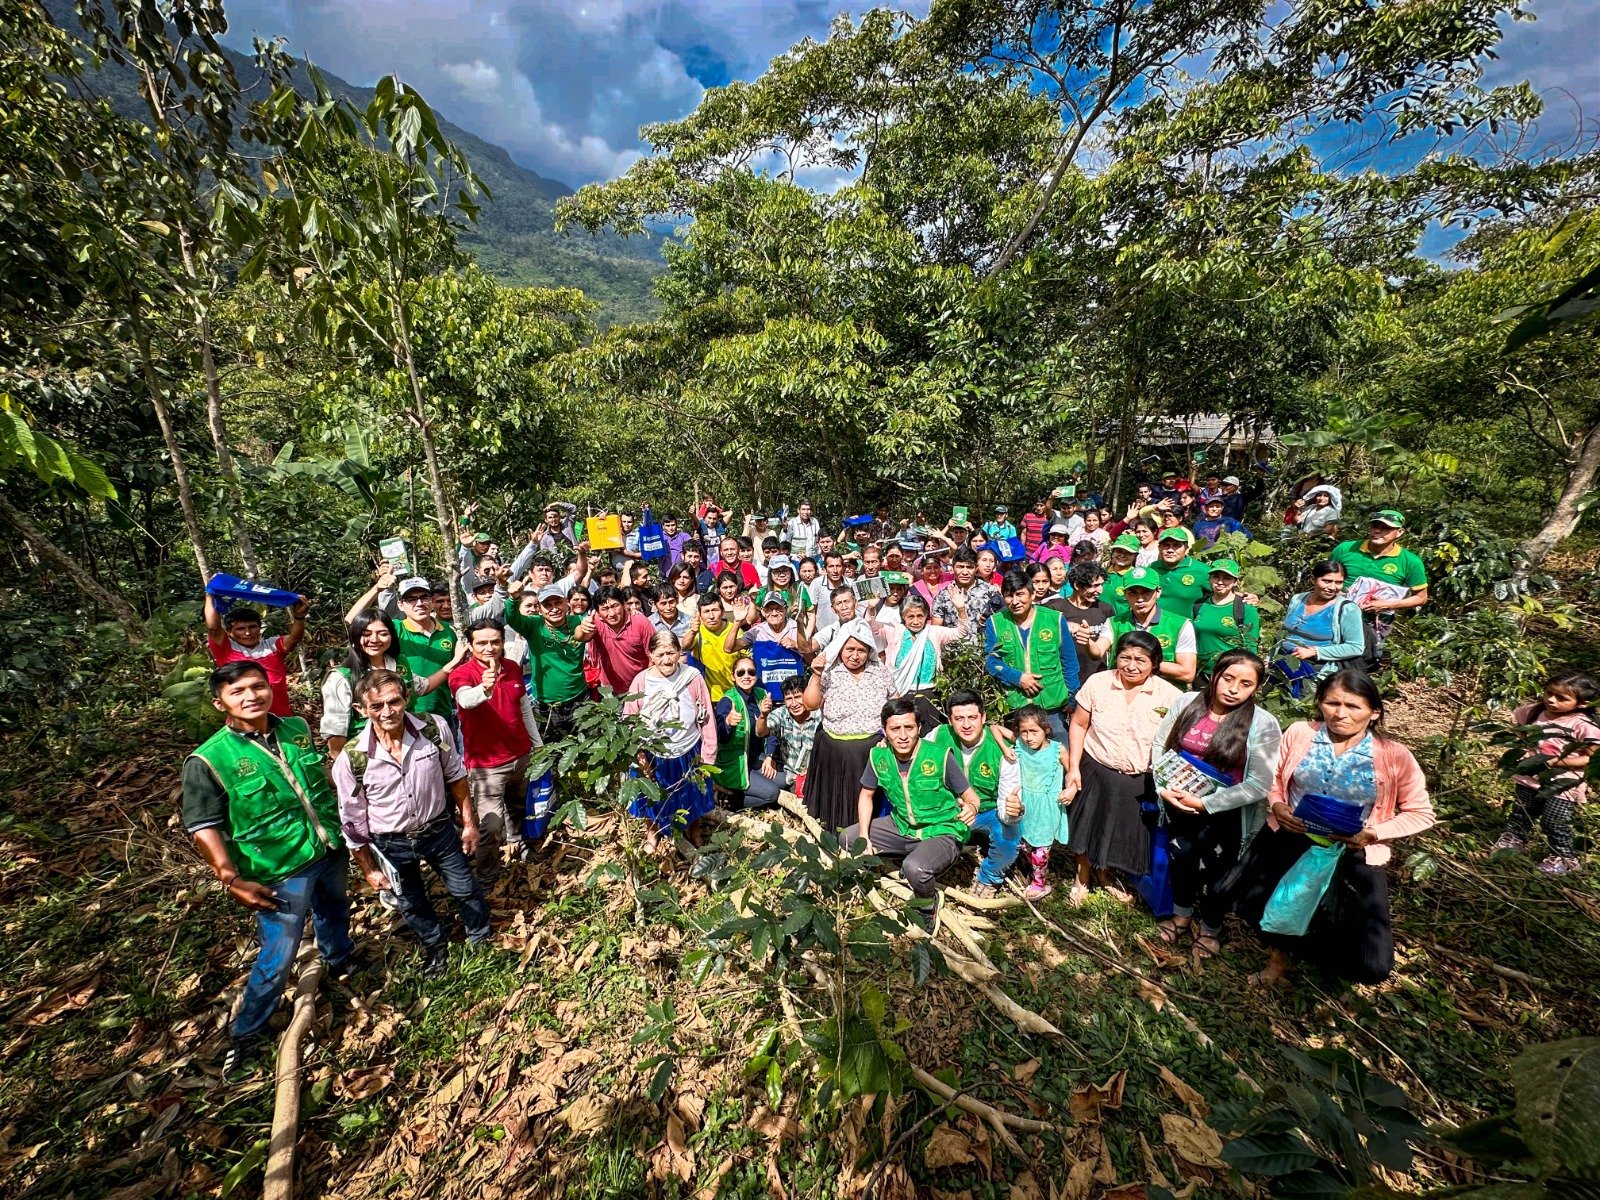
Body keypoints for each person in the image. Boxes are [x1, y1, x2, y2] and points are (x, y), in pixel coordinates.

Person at [182, 662, 356, 1072]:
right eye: (237, 691)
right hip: (279, 866)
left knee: (335, 907)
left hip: (326, 844)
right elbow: (203, 827)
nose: (251, 696)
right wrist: (230, 877)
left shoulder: (294, 727)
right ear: (219, 702)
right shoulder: (208, 760)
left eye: (257, 686)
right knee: (279, 951)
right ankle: (246, 1032)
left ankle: (340, 959)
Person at [1221, 670, 1434, 986]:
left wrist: (1373, 833)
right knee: (1263, 903)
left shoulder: (1394, 755)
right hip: (1291, 838)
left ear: (1374, 712)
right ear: (1319, 702)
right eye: (1332, 703)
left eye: (1354, 706)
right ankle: (1277, 962)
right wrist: (1278, 805)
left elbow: (1421, 813)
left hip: (1351, 850)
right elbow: (1275, 777)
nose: (1341, 713)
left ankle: (1324, 970)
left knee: (1370, 957)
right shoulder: (1300, 733)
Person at [333, 669, 490, 979]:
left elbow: (455, 775)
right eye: (376, 706)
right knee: (411, 900)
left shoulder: (434, 729)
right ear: (361, 710)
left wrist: (469, 822)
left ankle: (480, 939)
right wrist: (369, 869)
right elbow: (352, 821)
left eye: (394, 702)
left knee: (465, 887)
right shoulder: (351, 759)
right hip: (390, 842)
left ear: (406, 698)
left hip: (438, 829)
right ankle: (436, 949)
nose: (387, 712)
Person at [1150, 651, 1282, 958]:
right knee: (1181, 856)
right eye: (1229, 678)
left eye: (1246, 683)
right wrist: (1163, 788)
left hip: (1226, 813)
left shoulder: (1262, 723)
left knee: (1220, 871)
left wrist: (1206, 803)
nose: (1234, 688)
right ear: (1215, 675)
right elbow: (1161, 745)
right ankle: (1181, 914)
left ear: (1256, 688)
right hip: (1179, 801)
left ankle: (1210, 926)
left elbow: (1260, 783)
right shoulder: (1187, 703)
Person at [1064, 631, 1183, 904]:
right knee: (1085, 826)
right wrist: (1074, 767)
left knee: (1118, 831)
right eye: (1124, 657)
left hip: (1138, 778)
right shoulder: (1098, 682)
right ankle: (1082, 876)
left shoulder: (1170, 696)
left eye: (1140, 660)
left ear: (1155, 663)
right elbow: (1080, 724)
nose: (1131, 665)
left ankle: (1104, 873)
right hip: (1095, 766)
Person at [845, 699, 980, 922]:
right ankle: (901, 864)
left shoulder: (939, 756)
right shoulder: (878, 756)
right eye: (895, 729)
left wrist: (972, 807)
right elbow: (866, 795)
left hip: (942, 829)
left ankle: (927, 906)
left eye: (909, 727)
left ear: (919, 728)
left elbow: (970, 795)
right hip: (903, 826)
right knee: (849, 839)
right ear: (885, 731)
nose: (903, 735)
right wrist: (864, 837)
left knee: (915, 868)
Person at [450, 619, 542, 881]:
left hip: (521, 754)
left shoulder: (512, 668)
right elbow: (465, 700)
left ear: (503, 642)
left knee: (518, 807)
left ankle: (520, 845)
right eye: (482, 642)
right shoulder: (462, 674)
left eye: (495, 641)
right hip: (487, 765)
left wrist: (537, 745)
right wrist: (484, 688)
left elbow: (523, 708)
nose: (489, 647)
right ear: (470, 645)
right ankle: (487, 874)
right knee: (491, 824)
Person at [1493, 670, 1600, 875]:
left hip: (1563, 782)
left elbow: (1591, 758)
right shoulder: (1533, 712)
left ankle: (1564, 857)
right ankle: (1515, 839)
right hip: (1529, 776)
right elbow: (1520, 731)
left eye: (1562, 698)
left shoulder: (1583, 726)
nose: (1551, 700)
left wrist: (1557, 761)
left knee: (1554, 820)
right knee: (1522, 811)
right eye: (1549, 693)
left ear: (1582, 704)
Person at [622, 631, 718, 853]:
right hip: (652, 752)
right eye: (661, 654)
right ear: (651, 656)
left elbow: (707, 718)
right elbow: (629, 720)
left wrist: (708, 755)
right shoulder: (641, 681)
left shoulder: (692, 677)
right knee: (651, 796)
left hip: (687, 747)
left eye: (672, 653)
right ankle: (652, 833)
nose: (667, 659)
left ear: (680, 653)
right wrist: (639, 756)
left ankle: (694, 831)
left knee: (693, 793)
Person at [322, 608, 458, 757]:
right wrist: (347, 768)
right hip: (370, 754)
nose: (374, 639)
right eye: (366, 634)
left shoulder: (399, 664)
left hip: (410, 747)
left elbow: (422, 686)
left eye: (383, 633)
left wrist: (454, 663)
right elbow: (336, 731)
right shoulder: (342, 677)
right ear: (355, 637)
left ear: (392, 636)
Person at [802, 620, 897, 831]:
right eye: (850, 649)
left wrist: (889, 735)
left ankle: (867, 837)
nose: (855, 655)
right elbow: (809, 704)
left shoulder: (880, 672)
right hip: (834, 750)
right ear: (840, 648)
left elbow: (895, 703)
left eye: (861, 650)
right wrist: (816, 674)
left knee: (867, 799)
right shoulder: (828, 671)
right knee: (836, 802)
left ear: (870, 650)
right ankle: (836, 841)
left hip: (870, 749)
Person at [927, 690, 1023, 899]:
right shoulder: (938, 736)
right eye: (959, 718)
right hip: (949, 808)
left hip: (989, 811)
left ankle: (988, 878)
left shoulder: (1002, 750)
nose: (966, 725)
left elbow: (1008, 798)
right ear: (950, 720)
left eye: (972, 717)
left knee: (1010, 834)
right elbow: (913, 754)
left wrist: (1013, 811)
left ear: (984, 718)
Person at [984, 570, 1083, 741]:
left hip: (1052, 707)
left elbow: (1069, 661)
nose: (1015, 601)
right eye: (1008, 596)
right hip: (1016, 706)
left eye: (1020, 594)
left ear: (1032, 594)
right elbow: (991, 661)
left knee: (1058, 757)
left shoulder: (1055, 619)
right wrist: (1017, 677)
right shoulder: (995, 622)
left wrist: (1072, 695)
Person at [1331, 511, 1428, 669]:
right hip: (1338, 615)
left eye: (1386, 528)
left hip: (1374, 622)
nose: (1378, 530)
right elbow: (1326, 576)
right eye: (1375, 526)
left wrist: (1387, 605)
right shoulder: (1346, 549)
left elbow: (1421, 598)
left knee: (1360, 664)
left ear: (1399, 532)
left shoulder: (1410, 561)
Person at [204, 593, 308, 718]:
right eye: (240, 629)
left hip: (281, 716)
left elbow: (294, 639)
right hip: (245, 720)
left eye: (252, 627)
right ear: (230, 632)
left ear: (260, 628)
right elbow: (213, 628)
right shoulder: (226, 649)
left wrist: (299, 617)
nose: (248, 633)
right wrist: (210, 595)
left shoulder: (272, 645)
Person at [1010, 704, 1073, 899]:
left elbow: (1073, 773)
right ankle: (1033, 872)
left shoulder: (1058, 750)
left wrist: (1070, 790)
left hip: (1047, 807)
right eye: (1024, 732)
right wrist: (1006, 748)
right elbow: (995, 728)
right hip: (1026, 804)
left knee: (1041, 849)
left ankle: (1039, 884)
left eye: (1034, 731)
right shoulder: (1020, 744)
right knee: (1026, 843)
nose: (1029, 737)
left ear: (1046, 729)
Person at [1274, 561, 1364, 691]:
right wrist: (1270, 658)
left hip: (1314, 668)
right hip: (1281, 661)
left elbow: (1356, 647)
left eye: (1338, 582)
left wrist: (1314, 651)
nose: (1333, 587)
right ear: (1313, 580)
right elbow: (1284, 632)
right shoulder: (1298, 599)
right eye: (1327, 581)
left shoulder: (1347, 609)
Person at [1107, 566, 1197, 688]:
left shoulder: (1180, 625)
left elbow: (1187, 673)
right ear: (1125, 594)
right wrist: (1088, 643)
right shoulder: (1115, 622)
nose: (1140, 599)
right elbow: (1097, 651)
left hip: (1165, 697)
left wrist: (1145, 663)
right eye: (1133, 593)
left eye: (1146, 592)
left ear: (1158, 592)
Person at [713, 655, 782, 808]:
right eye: (741, 672)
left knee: (783, 781)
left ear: (756, 676)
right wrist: (728, 723)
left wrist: (770, 757)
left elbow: (771, 730)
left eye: (751, 672)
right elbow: (720, 738)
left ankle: (748, 787)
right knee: (772, 793)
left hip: (755, 756)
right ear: (733, 676)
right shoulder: (728, 700)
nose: (746, 676)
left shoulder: (761, 695)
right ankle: (730, 801)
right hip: (735, 762)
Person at [886, 595, 962, 730]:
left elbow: (961, 633)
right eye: (911, 616)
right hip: (900, 694)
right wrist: (871, 608)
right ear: (903, 617)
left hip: (930, 696)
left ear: (926, 616)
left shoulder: (933, 632)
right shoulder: (895, 631)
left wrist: (961, 609)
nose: (916, 621)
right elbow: (873, 628)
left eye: (920, 616)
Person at [1191, 560, 1261, 680]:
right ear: (1209, 579)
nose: (1220, 582)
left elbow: (1251, 646)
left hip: (1229, 675)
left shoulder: (1246, 609)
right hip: (1201, 673)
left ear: (1235, 582)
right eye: (1215, 577)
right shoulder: (1199, 605)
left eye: (1227, 578)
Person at [1047, 560, 1115, 678]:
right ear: (1077, 585)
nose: (1100, 591)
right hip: (1066, 678)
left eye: (1101, 585)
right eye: (1094, 586)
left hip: (1097, 677)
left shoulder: (1106, 609)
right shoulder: (1055, 609)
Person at [587, 585, 656, 695]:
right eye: (605, 609)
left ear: (623, 604)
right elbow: (580, 637)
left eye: (615, 606)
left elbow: (653, 656)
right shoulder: (594, 622)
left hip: (640, 689)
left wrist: (644, 684)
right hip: (609, 690)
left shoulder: (640, 622)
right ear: (598, 612)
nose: (612, 614)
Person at [758, 675, 818, 797]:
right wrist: (763, 716)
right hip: (789, 773)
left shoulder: (819, 715)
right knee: (765, 785)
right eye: (789, 699)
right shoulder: (781, 713)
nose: (794, 703)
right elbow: (761, 732)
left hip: (816, 774)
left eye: (797, 697)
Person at [933, 547, 1003, 634]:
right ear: (952, 567)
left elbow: (1001, 624)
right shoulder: (943, 595)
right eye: (960, 567)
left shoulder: (991, 592)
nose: (965, 572)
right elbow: (935, 630)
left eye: (969, 567)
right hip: (952, 646)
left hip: (984, 645)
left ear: (976, 568)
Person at [1101, 534, 1141, 614]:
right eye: (1118, 551)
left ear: (1135, 556)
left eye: (1128, 553)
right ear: (1112, 553)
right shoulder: (1101, 572)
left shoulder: (1136, 578)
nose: (1122, 555)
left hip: (1119, 623)